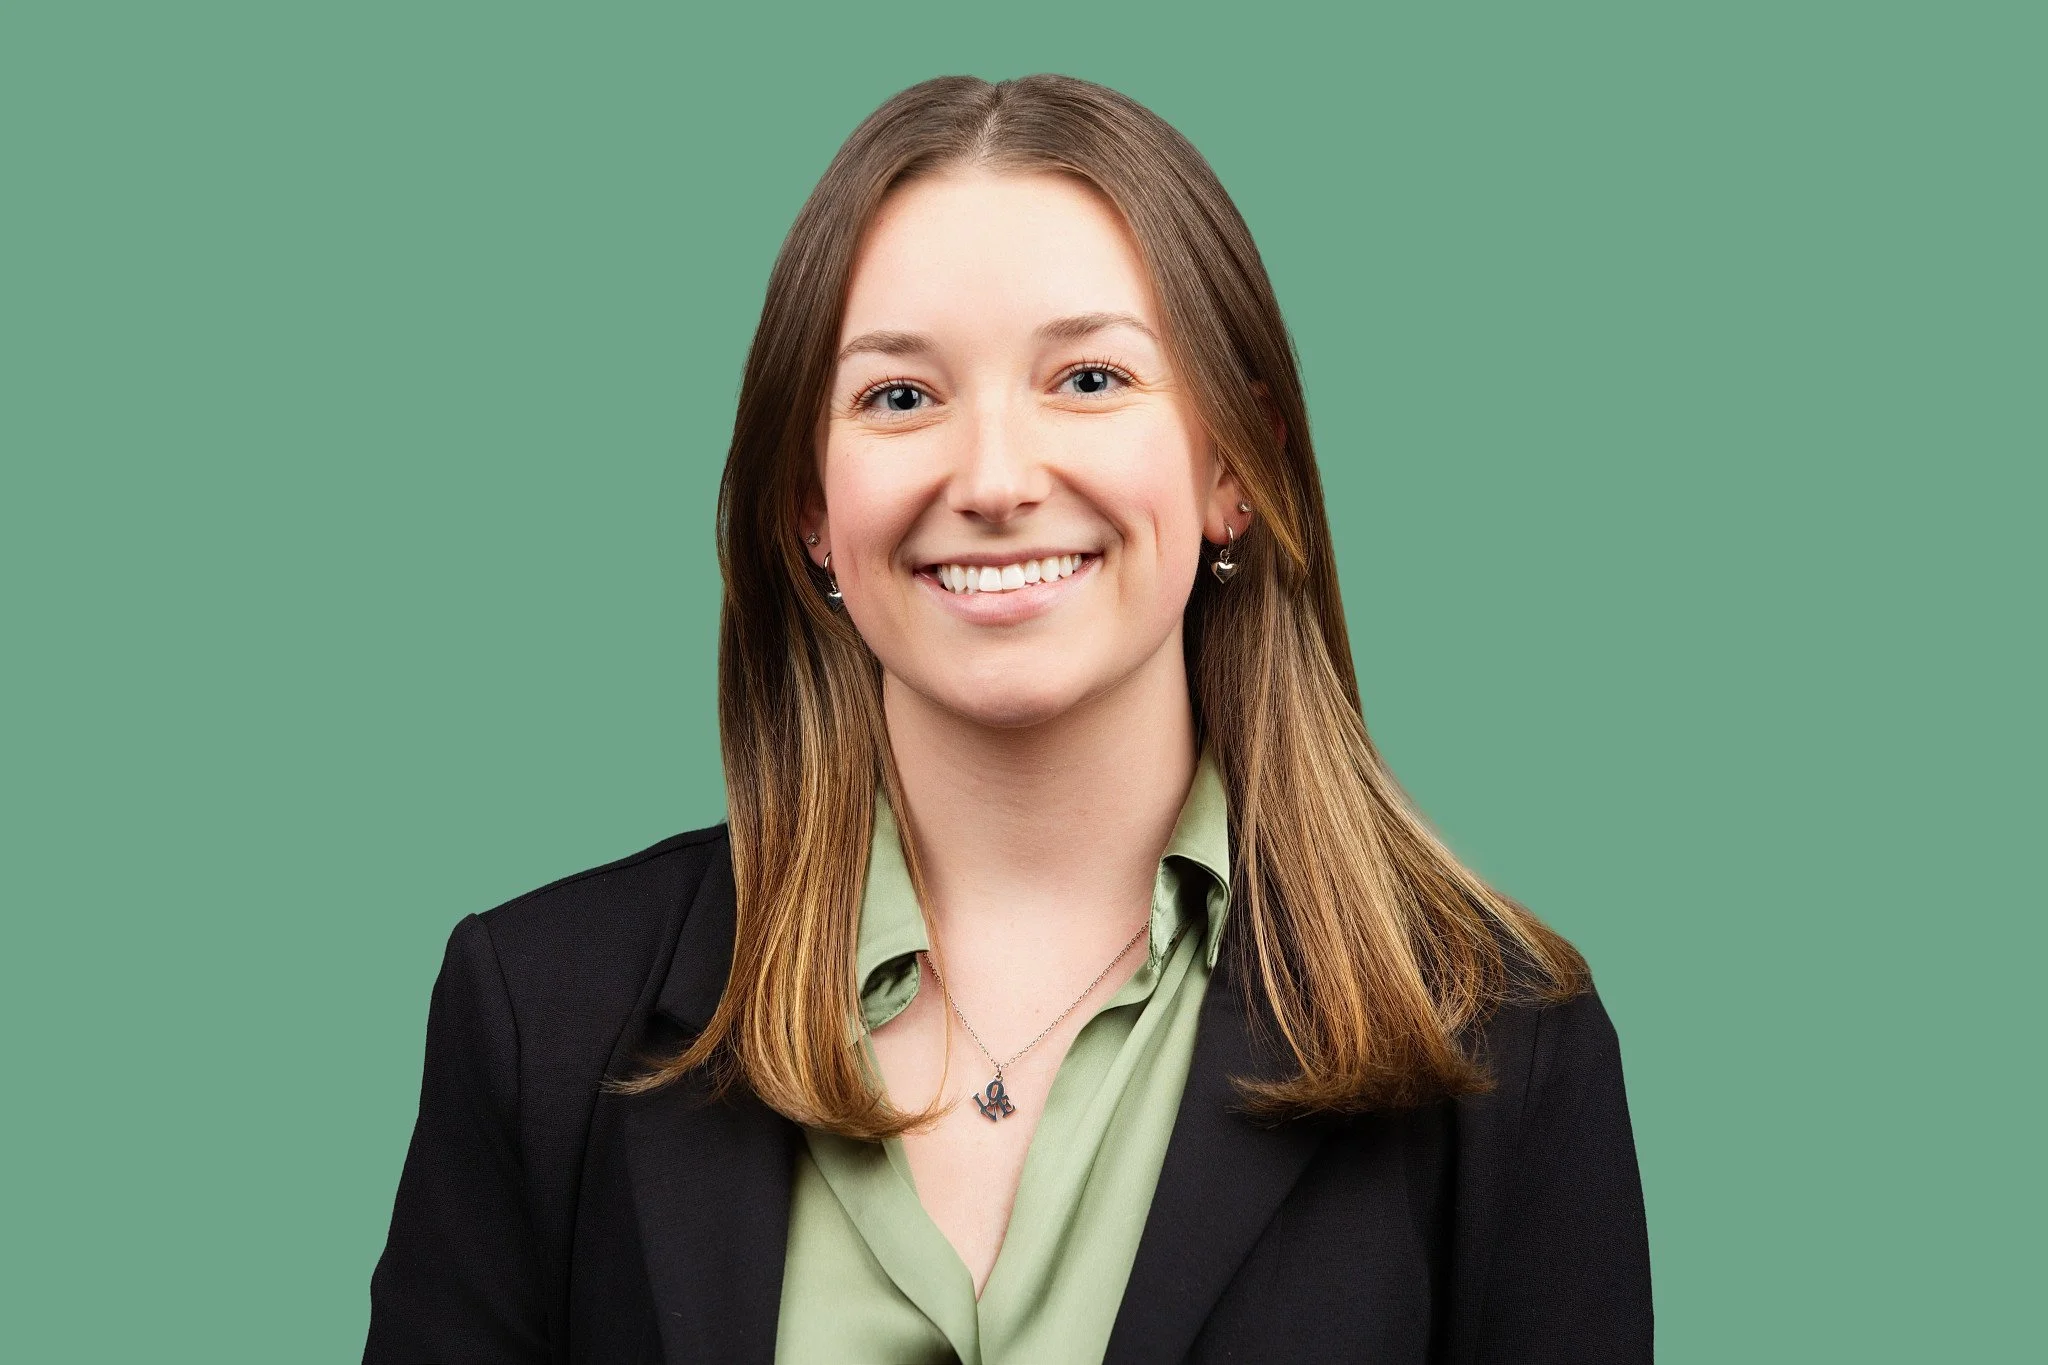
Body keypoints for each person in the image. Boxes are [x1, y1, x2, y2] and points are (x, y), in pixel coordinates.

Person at [363, 73, 1652, 1365]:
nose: (991, 480)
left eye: (1088, 377)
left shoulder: (1506, 1052)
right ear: (810, 505)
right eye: (900, 398)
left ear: (1230, 468)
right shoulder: (537, 1017)